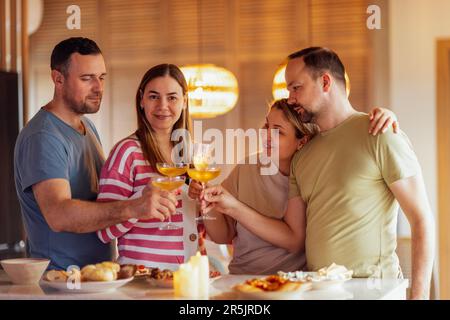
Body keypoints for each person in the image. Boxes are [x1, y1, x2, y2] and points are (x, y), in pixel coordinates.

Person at [282, 47, 433, 299]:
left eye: (296, 87)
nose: (290, 98)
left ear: (326, 82)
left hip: (375, 292)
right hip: (320, 292)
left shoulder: (380, 133)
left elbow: (422, 220)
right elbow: (294, 235)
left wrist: (419, 297)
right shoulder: (302, 156)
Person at [14, 38, 177, 270]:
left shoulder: (87, 127)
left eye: (101, 77)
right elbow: (58, 214)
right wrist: (134, 207)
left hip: (95, 277)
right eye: (87, 78)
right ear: (57, 79)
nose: (98, 87)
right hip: (61, 282)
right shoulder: (43, 136)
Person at [191, 99, 399, 275]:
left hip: (292, 283)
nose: (266, 136)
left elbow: (294, 240)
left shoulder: (314, 174)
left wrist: (384, 116)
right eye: (266, 126)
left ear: (302, 140)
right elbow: (222, 235)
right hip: (240, 278)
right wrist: (208, 202)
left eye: (278, 132)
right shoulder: (246, 168)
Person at [95, 64, 201, 270]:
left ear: (185, 102)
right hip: (142, 279)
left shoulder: (189, 154)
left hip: (185, 278)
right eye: (154, 97)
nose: (163, 105)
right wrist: (139, 205)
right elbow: (103, 230)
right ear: (142, 100)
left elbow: (192, 229)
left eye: (172, 97)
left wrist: (201, 203)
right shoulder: (127, 152)